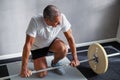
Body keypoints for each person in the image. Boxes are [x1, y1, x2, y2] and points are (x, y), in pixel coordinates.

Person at [20, 5, 80, 78]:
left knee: (64, 49)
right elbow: (28, 44)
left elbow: (70, 38)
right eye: (56, 22)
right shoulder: (35, 21)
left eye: (59, 21)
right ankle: (35, 58)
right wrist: (24, 68)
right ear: (46, 20)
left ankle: (55, 63)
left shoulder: (61, 18)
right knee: (42, 74)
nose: (59, 24)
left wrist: (75, 58)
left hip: (51, 43)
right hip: (37, 48)